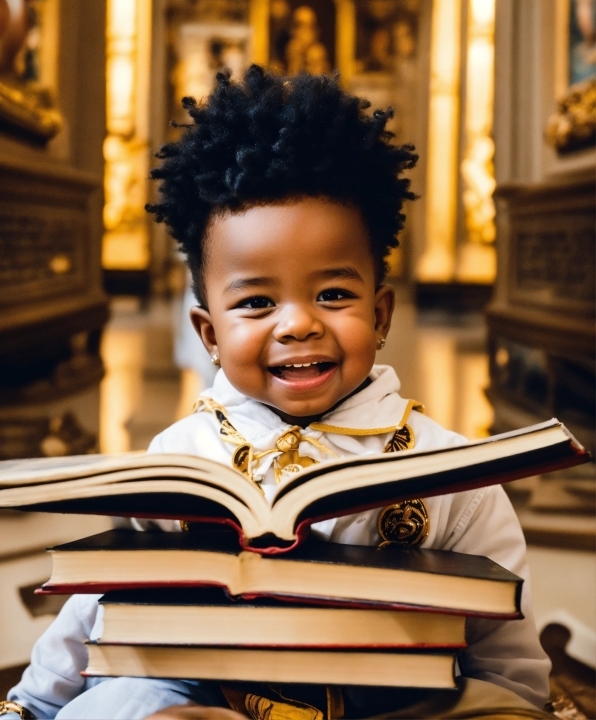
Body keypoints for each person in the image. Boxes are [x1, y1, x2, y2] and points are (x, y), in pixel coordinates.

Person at [4, 67, 552, 720]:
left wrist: (516, 702)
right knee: (124, 703)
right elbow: (99, 603)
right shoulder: (180, 457)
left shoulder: (454, 475)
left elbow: (505, 648)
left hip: (389, 700)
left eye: (333, 294)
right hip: (202, 693)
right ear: (208, 333)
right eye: (258, 301)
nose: (297, 323)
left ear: (380, 315)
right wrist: (34, 702)